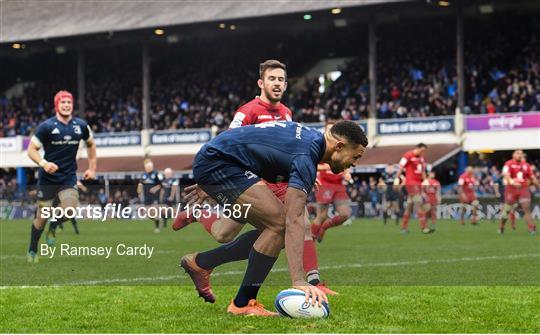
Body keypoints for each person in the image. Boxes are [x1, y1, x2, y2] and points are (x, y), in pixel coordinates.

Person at [173, 60, 336, 295]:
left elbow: (292, 148)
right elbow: (226, 145)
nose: (277, 83)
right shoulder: (247, 111)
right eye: (272, 79)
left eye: (281, 80)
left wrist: (306, 171)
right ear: (261, 83)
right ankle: (201, 225)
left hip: (273, 182)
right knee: (226, 233)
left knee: (292, 226)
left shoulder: (287, 114)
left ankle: (312, 283)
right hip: (248, 183)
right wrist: (214, 181)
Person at [180, 120, 367, 316]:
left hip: (225, 163)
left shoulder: (311, 142)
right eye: (355, 157)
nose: (354, 163)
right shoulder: (306, 156)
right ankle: (241, 304)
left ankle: (203, 264)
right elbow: (293, 219)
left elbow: (257, 146)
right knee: (279, 224)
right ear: (339, 146)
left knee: (275, 229)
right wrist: (299, 281)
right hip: (220, 164)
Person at [26, 90, 96, 262]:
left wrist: (92, 168)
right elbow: (31, 150)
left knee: (70, 209)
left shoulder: (81, 125)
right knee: (41, 218)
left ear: (72, 105)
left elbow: (91, 145)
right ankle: (32, 249)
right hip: (48, 179)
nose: (66, 105)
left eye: (69, 103)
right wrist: (44, 163)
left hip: (68, 177)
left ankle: (54, 225)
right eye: (63, 102)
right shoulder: (46, 126)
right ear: (57, 105)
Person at [310, 123, 352, 243]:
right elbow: (312, 164)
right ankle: (310, 242)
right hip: (325, 184)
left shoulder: (343, 146)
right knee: (321, 216)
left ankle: (324, 227)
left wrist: (347, 173)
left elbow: (346, 162)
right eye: (329, 129)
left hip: (339, 185)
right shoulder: (319, 144)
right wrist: (328, 167)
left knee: (345, 214)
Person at [395, 143, 432, 234]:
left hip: (419, 184)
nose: (423, 152)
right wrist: (397, 179)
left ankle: (404, 228)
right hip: (411, 183)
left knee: (409, 207)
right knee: (419, 203)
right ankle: (424, 227)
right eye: (422, 150)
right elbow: (400, 167)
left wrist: (425, 182)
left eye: (425, 151)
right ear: (417, 148)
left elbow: (423, 171)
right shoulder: (408, 155)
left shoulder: (422, 158)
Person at [498, 150, 538, 235]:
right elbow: (506, 175)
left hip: (523, 189)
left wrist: (537, 184)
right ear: (513, 155)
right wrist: (512, 182)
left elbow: (532, 177)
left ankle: (531, 228)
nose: (520, 155)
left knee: (526, 208)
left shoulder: (526, 165)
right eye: (518, 153)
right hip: (511, 189)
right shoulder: (508, 164)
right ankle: (501, 225)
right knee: (507, 210)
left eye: (521, 154)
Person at [137, 159, 163, 232]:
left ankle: (157, 228)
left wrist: (155, 188)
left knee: (154, 210)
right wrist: (139, 191)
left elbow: (162, 184)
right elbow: (140, 184)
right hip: (146, 196)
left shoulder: (156, 174)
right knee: (149, 214)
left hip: (155, 196)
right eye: (146, 167)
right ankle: (158, 219)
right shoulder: (143, 175)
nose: (148, 168)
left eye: (149, 167)